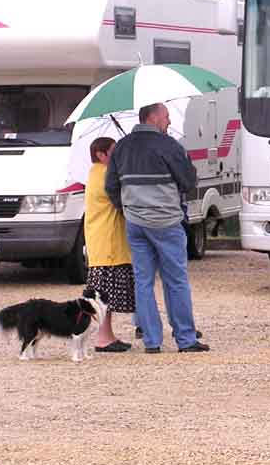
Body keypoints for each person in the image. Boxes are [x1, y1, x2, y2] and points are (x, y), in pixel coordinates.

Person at [105, 102, 209, 353]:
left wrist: (127, 209)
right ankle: (185, 339)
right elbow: (187, 182)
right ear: (152, 118)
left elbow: (111, 187)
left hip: (136, 224)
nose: (169, 122)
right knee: (176, 281)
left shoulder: (122, 147)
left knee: (143, 281)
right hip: (166, 222)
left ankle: (152, 341)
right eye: (166, 117)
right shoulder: (170, 146)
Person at [84, 137, 134, 353]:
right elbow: (122, 197)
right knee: (104, 296)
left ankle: (108, 335)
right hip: (108, 246)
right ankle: (103, 338)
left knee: (106, 296)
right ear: (101, 155)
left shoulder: (94, 173)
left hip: (102, 244)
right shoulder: (104, 175)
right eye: (114, 151)